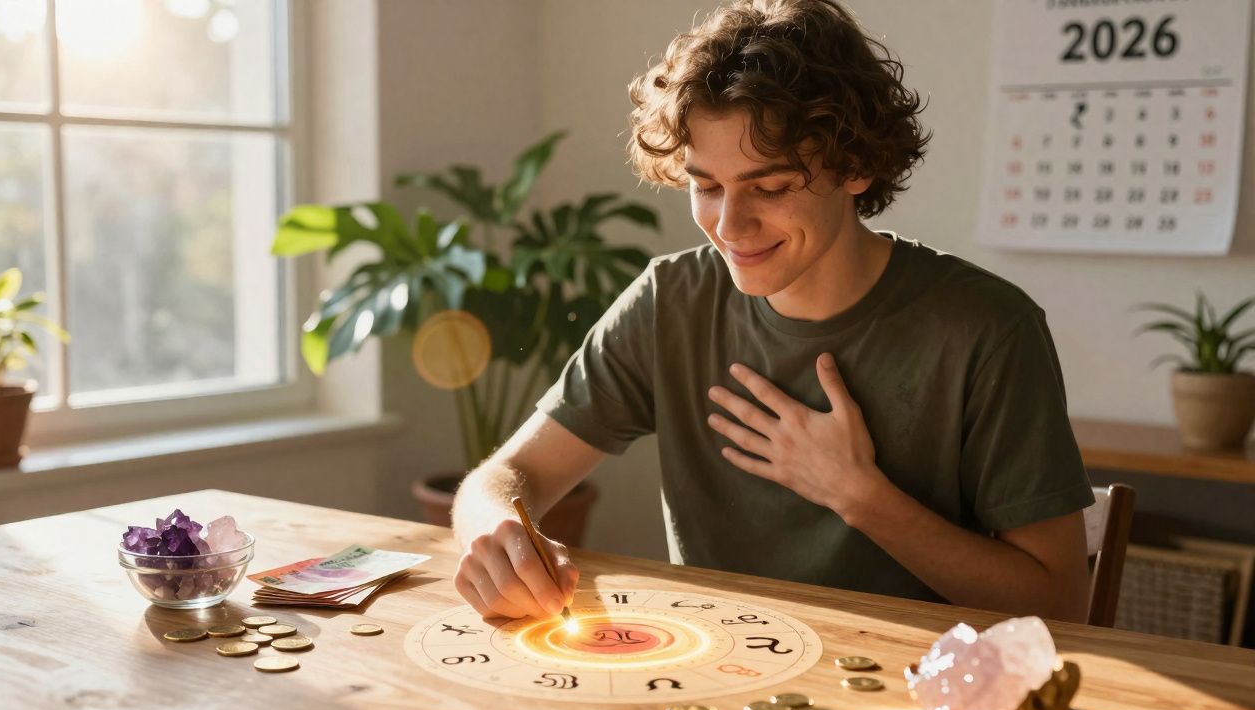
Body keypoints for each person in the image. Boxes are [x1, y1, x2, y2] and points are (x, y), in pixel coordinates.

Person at [451, 0, 1093, 624]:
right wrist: (501, 531)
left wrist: (858, 495)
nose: (730, 225)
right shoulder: (670, 301)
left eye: (770, 187)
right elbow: (508, 474)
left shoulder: (987, 327)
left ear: (857, 167)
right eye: (706, 186)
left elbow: (1060, 603)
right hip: (714, 683)